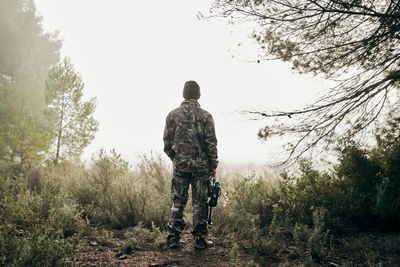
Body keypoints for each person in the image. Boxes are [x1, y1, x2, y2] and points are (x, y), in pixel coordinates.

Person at [163, 80, 218, 250]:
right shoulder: (206, 116)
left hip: (180, 166)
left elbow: (166, 143)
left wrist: (177, 158)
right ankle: (199, 240)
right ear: (198, 95)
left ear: (183, 94)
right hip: (201, 168)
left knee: (178, 202)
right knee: (200, 203)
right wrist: (213, 164)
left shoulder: (172, 115)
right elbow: (211, 143)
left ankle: (173, 239)